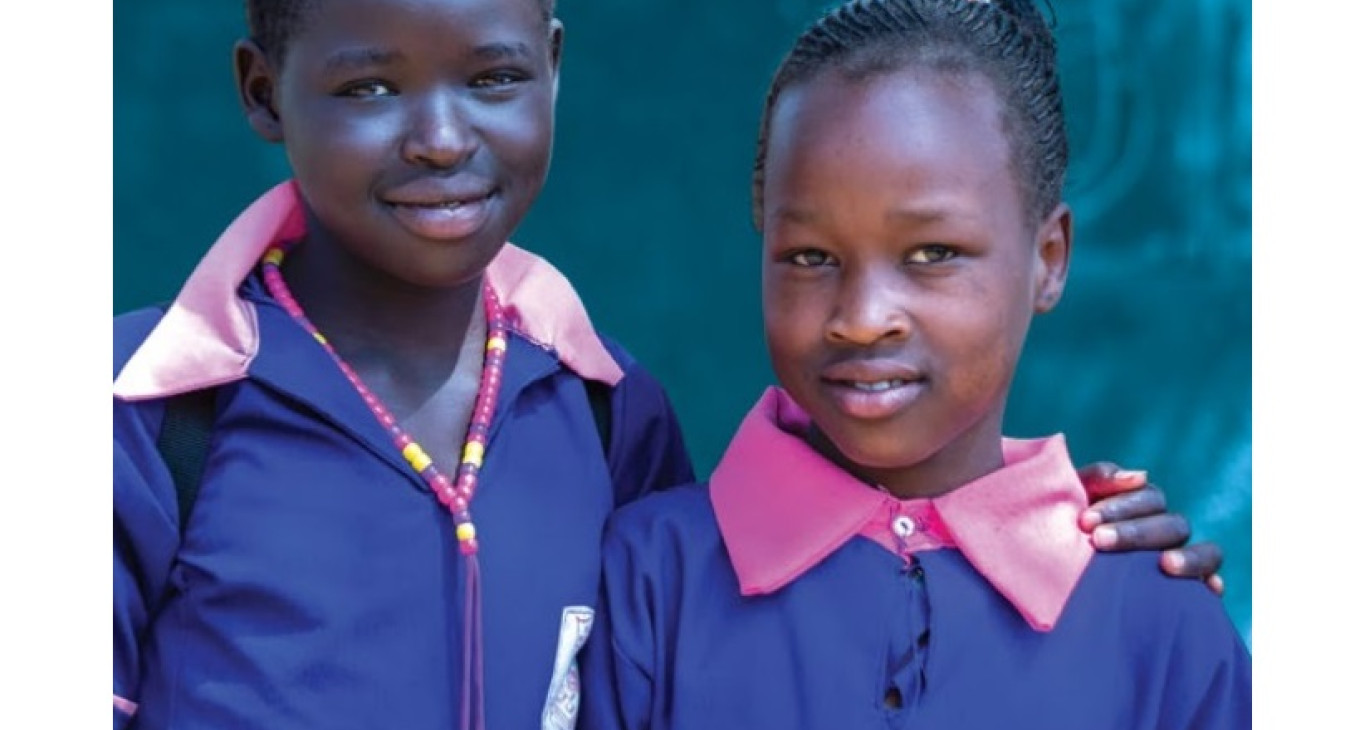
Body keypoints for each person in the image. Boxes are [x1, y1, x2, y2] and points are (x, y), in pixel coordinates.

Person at [113, 1, 1226, 729]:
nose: (442, 138)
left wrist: (1055, 530)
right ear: (263, 91)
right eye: (369, 88)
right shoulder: (146, 414)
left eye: (492, 77)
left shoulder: (607, 412)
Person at [579, 0, 1252, 728]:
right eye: (811, 257)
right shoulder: (649, 580)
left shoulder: (1157, 619)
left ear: (1048, 259)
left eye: (933, 254)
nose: (863, 317)